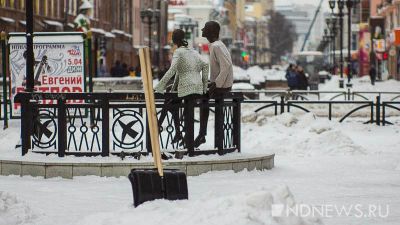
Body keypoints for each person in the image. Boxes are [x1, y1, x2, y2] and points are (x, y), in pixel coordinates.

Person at [154, 29, 209, 146]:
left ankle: (179, 134)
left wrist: (159, 86)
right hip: (197, 88)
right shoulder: (193, 52)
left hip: (187, 88)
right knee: (175, 105)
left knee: (172, 105)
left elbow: (172, 70)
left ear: (174, 40)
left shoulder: (178, 52)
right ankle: (181, 135)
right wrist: (204, 86)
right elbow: (205, 65)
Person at [195, 20, 234, 148]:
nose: (203, 31)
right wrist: (211, 81)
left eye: (205, 28)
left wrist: (216, 84)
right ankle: (202, 134)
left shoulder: (216, 46)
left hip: (222, 87)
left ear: (211, 31)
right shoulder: (217, 45)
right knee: (202, 99)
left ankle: (201, 134)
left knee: (200, 98)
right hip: (221, 85)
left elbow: (226, 66)